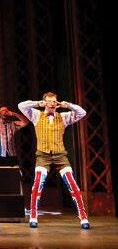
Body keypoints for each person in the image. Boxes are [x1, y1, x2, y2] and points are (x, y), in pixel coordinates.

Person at [18, 92, 89, 229]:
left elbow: (82, 113)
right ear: (45, 103)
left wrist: (68, 105)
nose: (51, 104)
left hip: (60, 156)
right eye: (49, 101)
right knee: (37, 183)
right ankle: (33, 216)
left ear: (57, 103)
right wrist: (38, 103)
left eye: (54, 101)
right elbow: (21, 106)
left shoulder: (63, 117)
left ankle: (83, 217)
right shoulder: (36, 115)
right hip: (43, 155)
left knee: (72, 184)